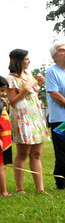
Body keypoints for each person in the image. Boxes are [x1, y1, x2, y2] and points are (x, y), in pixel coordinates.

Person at [6, 48, 50, 194]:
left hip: (35, 117)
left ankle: (40, 188)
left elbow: (32, 95)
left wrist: (38, 84)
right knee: (23, 154)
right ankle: (20, 188)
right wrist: (25, 89)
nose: (29, 61)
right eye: (26, 59)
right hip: (22, 118)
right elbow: (13, 102)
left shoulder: (28, 75)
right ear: (18, 61)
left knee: (37, 154)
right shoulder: (11, 79)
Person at [45, 42, 65, 190]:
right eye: (61, 50)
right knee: (62, 153)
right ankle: (61, 184)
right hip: (59, 119)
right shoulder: (52, 72)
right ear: (54, 56)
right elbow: (54, 93)